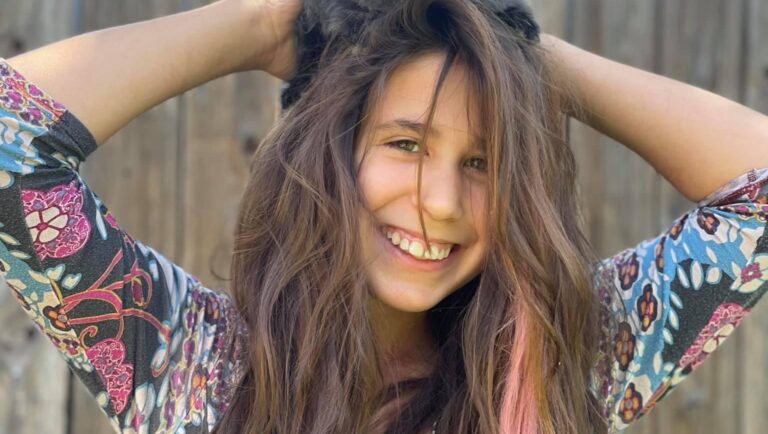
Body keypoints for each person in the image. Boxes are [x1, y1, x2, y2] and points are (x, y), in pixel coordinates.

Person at [0, 0, 766, 433]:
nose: (441, 201)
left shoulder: (567, 362)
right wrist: (265, 23)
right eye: (406, 144)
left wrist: (514, 51)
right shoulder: (191, 363)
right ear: (328, 154)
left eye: (483, 162)